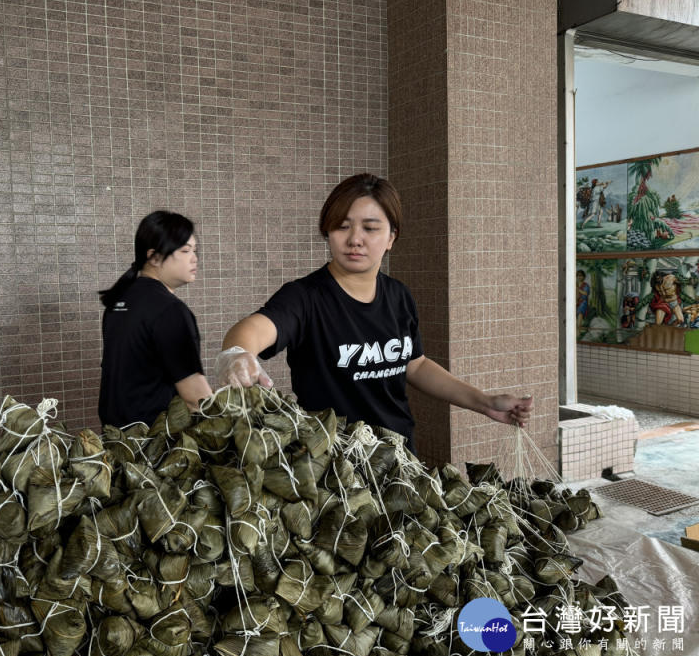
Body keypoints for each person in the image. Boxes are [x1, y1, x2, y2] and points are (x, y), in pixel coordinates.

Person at [215, 174, 532, 452]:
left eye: (370, 228)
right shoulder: (305, 298)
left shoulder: (398, 296)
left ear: (391, 237)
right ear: (328, 232)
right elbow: (254, 329)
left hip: (398, 459)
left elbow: (415, 365)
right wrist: (238, 353)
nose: (355, 239)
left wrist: (486, 403)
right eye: (342, 227)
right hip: (331, 468)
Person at [98, 211, 212, 427]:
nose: (195, 258)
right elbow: (195, 398)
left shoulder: (118, 301)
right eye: (185, 250)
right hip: (154, 444)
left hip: (117, 440)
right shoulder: (170, 311)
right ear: (154, 257)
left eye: (195, 250)